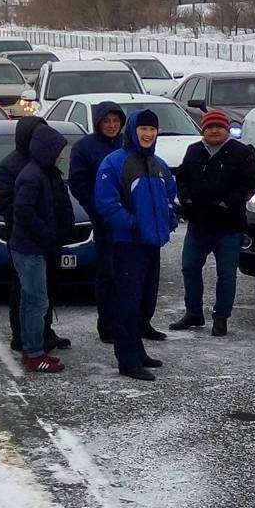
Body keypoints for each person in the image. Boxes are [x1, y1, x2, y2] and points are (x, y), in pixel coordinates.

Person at [94, 110, 178, 381]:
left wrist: (169, 219)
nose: (148, 133)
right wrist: (133, 224)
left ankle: (138, 350)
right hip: (127, 245)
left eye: (152, 129)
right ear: (132, 130)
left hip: (151, 244)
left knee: (144, 301)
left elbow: (171, 197)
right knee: (127, 304)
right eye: (143, 128)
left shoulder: (158, 164)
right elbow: (107, 204)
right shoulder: (115, 163)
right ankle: (127, 359)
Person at [170, 109, 255, 336]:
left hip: (229, 226)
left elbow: (253, 183)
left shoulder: (242, 152)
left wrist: (227, 202)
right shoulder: (193, 151)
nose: (214, 130)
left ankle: (221, 318)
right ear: (203, 130)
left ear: (226, 129)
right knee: (189, 268)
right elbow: (181, 177)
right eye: (209, 127)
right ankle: (193, 313)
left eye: (219, 127)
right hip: (199, 224)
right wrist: (186, 198)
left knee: (227, 274)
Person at [0, 115, 68, 352]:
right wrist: (35, 226)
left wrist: (62, 225)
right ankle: (23, 337)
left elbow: (59, 197)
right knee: (26, 291)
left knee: (47, 288)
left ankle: (43, 331)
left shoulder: (48, 166)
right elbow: (8, 205)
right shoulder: (12, 167)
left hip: (48, 238)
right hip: (26, 239)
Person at [10, 124, 74, 373]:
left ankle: (32, 349)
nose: (62, 155)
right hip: (30, 249)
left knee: (31, 300)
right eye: (59, 150)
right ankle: (35, 353)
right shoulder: (33, 176)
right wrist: (47, 234)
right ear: (47, 150)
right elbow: (23, 211)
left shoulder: (42, 173)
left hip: (33, 247)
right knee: (37, 302)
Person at [68, 100, 124, 342]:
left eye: (116, 121)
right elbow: (78, 184)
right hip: (104, 221)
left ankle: (138, 323)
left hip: (130, 220)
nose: (112, 126)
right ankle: (108, 325)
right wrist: (96, 210)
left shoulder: (128, 144)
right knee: (108, 275)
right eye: (107, 121)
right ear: (98, 122)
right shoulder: (84, 148)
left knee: (134, 274)